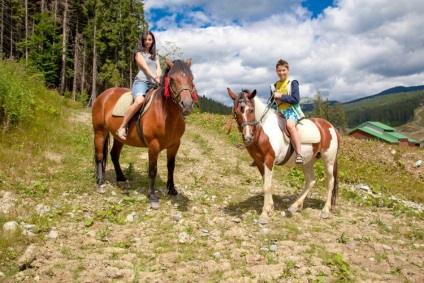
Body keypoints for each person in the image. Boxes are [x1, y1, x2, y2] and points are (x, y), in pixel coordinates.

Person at [116, 31, 162, 140]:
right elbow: (145, 68)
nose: (147, 42)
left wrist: (159, 78)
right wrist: (155, 78)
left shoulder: (155, 56)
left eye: (150, 39)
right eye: (145, 39)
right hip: (142, 82)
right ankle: (122, 126)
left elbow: (158, 68)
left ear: (153, 41)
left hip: (154, 84)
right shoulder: (138, 53)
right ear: (142, 40)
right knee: (139, 101)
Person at [272, 59, 305, 164]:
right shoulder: (274, 86)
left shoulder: (293, 83)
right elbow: (273, 102)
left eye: (283, 70)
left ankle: (299, 153)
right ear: (276, 71)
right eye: (279, 71)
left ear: (288, 70)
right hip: (278, 111)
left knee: (290, 125)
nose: (281, 73)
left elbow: (296, 99)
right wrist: (274, 100)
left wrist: (280, 96)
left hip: (290, 110)